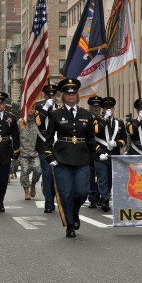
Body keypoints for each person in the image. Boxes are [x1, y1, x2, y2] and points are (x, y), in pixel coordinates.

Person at [43, 78, 102, 238]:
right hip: (62, 158)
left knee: (82, 191)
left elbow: (90, 138)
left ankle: (75, 212)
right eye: (68, 94)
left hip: (82, 158)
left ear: (77, 95)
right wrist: (50, 157)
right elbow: (48, 140)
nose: (71, 96)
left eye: (74, 93)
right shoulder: (56, 114)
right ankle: (69, 224)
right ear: (63, 96)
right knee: (65, 193)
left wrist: (98, 152)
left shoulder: (85, 115)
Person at [93, 96, 127, 212]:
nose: (109, 110)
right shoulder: (97, 120)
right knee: (103, 178)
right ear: (103, 109)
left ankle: (102, 194)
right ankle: (105, 200)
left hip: (114, 155)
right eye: (106, 108)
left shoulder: (120, 123)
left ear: (114, 108)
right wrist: (105, 118)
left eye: (111, 108)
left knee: (110, 178)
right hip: (101, 154)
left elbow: (124, 140)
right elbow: (96, 131)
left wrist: (116, 143)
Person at [34, 83, 59, 213]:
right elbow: (38, 122)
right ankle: (49, 203)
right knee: (48, 174)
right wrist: (46, 107)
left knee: (58, 175)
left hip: (58, 146)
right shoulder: (38, 108)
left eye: (53, 94)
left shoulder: (60, 109)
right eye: (48, 94)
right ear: (44, 95)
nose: (51, 96)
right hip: (44, 145)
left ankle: (54, 196)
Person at [18, 113, 41, 201]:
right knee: (24, 171)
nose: (31, 110)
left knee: (38, 170)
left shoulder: (38, 121)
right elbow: (15, 135)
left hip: (35, 152)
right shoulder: (20, 122)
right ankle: (27, 191)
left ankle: (33, 184)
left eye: (33, 108)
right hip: (23, 152)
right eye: (29, 108)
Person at [87, 95, 104, 208]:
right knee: (90, 176)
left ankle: (100, 195)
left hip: (101, 151)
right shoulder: (87, 118)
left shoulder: (105, 119)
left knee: (101, 175)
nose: (96, 109)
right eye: (94, 106)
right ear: (90, 108)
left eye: (98, 107)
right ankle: (93, 197)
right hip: (88, 151)